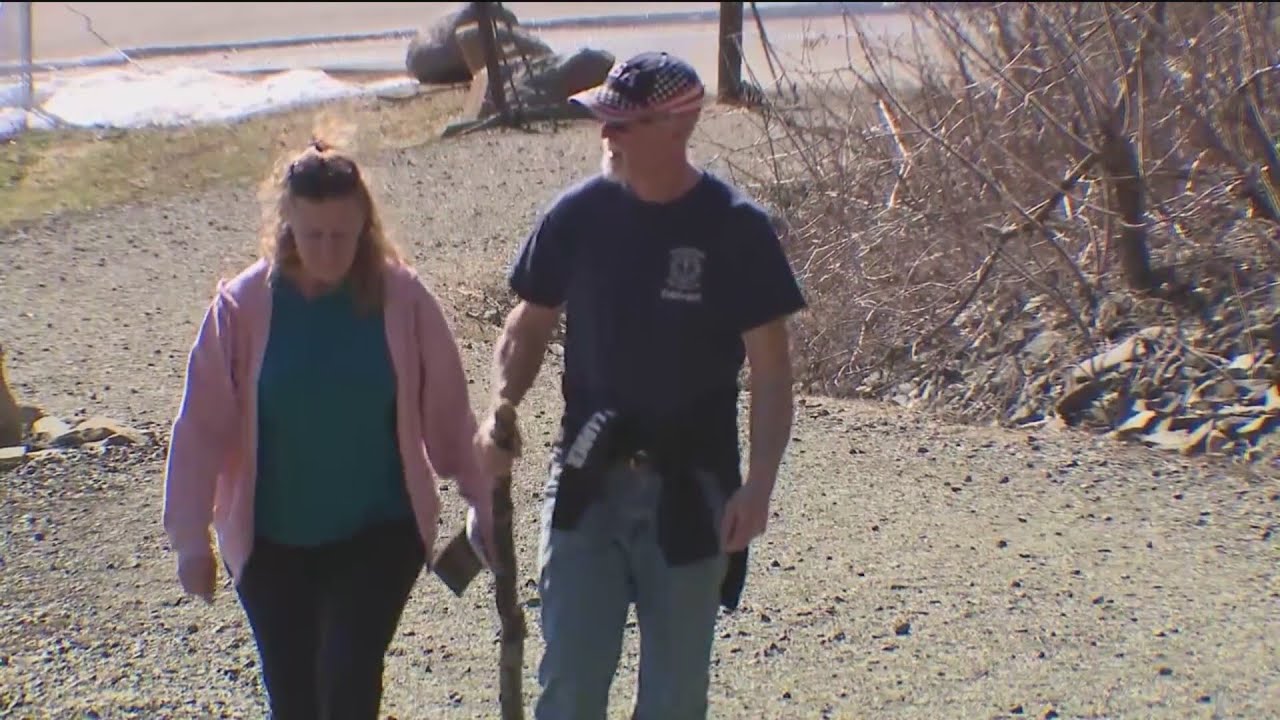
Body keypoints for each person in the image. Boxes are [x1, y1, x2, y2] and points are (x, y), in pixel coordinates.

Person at [473, 51, 808, 720]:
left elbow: (771, 371)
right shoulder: (577, 214)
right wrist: (500, 408)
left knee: (674, 700)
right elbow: (528, 323)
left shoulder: (736, 228)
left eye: (623, 124)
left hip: (693, 491)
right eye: (605, 120)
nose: (607, 135)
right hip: (585, 480)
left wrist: (760, 483)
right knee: (567, 687)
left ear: (676, 128)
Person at [162, 136, 495, 719]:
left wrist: (482, 501)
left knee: (347, 679)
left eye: (342, 235)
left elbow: (448, 412)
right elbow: (201, 429)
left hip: (379, 531)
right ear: (287, 225)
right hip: (271, 541)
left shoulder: (402, 298)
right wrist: (192, 540)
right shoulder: (243, 308)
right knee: (293, 696)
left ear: (364, 224)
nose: (328, 249)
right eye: (314, 235)